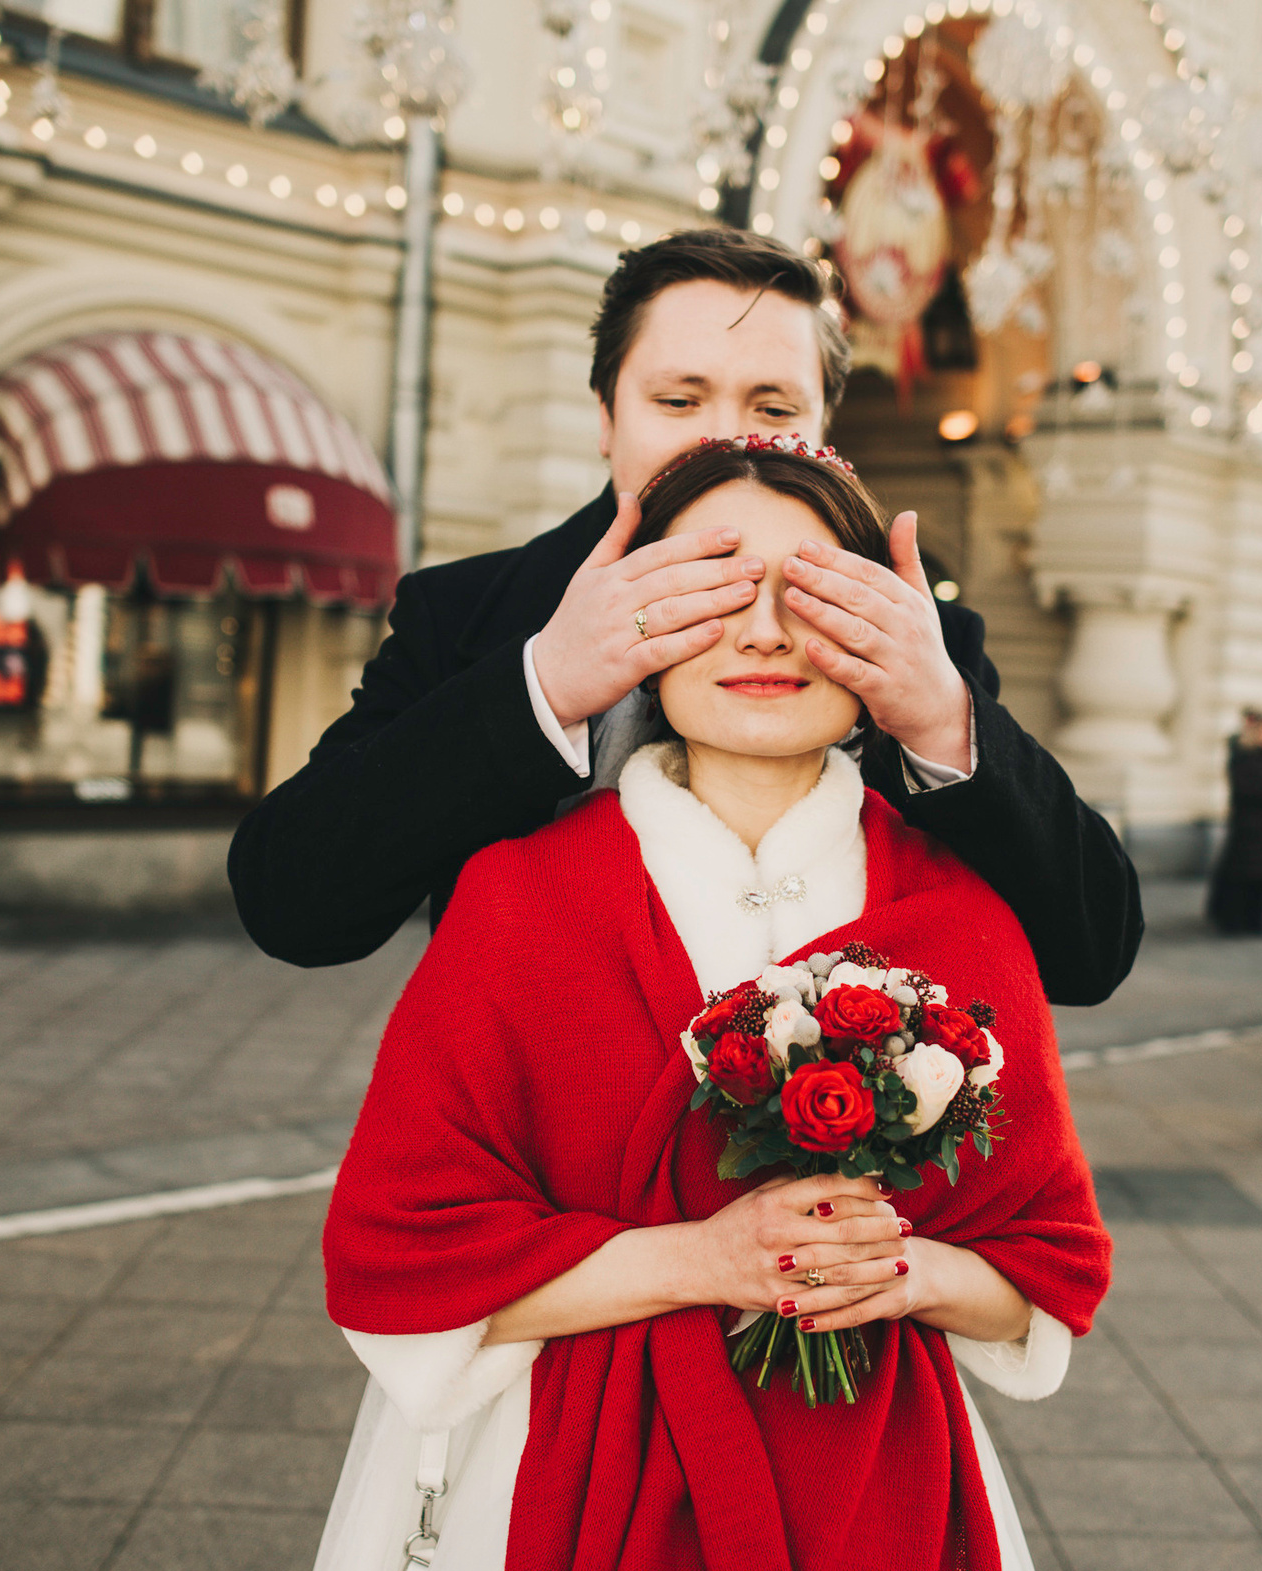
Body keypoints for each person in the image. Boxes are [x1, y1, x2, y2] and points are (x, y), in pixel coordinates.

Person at [279, 439, 1112, 1571]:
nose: (764, 633)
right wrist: (702, 1260)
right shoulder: (519, 898)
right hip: (561, 1478)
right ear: (632, 620)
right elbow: (399, 1255)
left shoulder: (965, 913)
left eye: (812, 590)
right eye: (713, 584)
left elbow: (1043, 1267)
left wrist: (909, 1267)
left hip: (874, 1491)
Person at [229, 228, 1144, 1006]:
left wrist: (944, 718)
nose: (724, 440)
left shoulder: (912, 635)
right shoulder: (471, 613)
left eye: (773, 405)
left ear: (824, 431)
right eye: (678, 399)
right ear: (606, 415)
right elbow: (294, 907)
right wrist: (541, 688)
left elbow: (1090, 954)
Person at [1206, 708, 1262, 937]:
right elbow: (1243, 788)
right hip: (1248, 827)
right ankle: (1235, 921)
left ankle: (1256, 921)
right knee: (1242, 879)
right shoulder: (1243, 755)